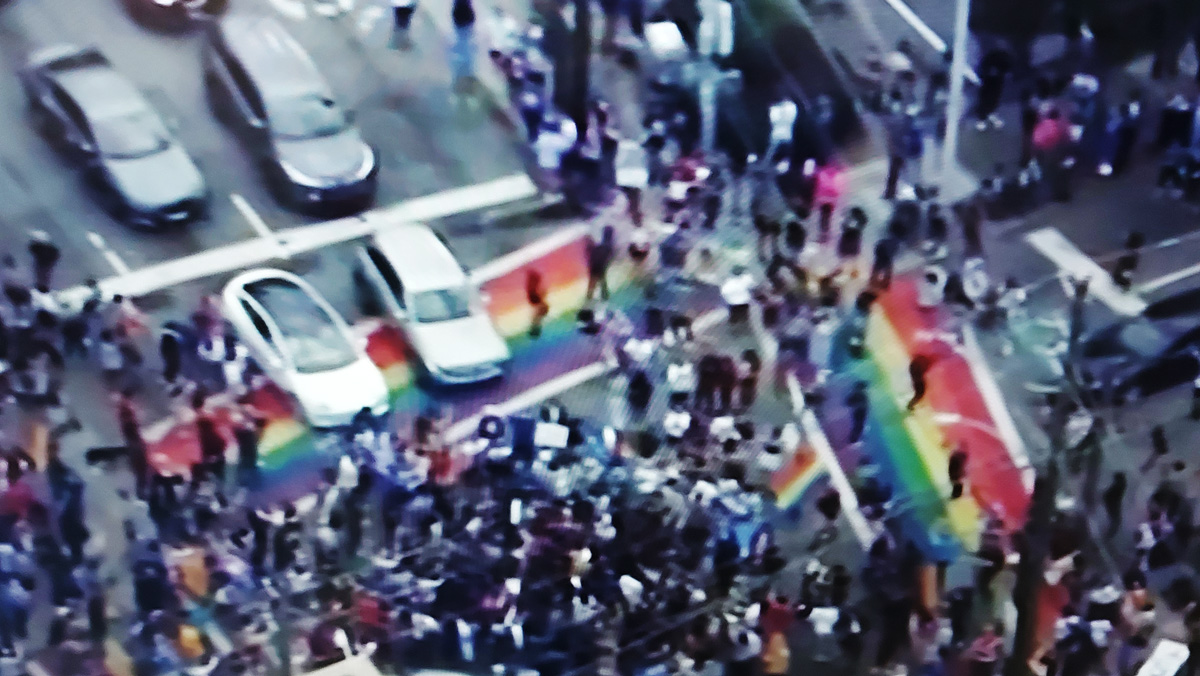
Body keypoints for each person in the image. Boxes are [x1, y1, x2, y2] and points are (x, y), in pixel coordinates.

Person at [974, 48, 1011, 131]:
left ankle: (990, 114)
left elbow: (1007, 67)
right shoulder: (989, 58)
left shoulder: (1002, 57)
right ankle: (982, 119)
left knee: (994, 99)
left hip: (996, 81)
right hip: (987, 81)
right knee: (985, 100)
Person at [450, 0, 476, 90]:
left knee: (462, 49)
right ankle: (466, 76)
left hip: (460, 21)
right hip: (464, 20)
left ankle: (461, 77)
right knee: (467, 51)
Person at [587, 226, 616, 302]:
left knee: (596, 280)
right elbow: (610, 256)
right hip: (600, 264)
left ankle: (592, 296)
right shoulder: (609, 246)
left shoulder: (603, 246)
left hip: (597, 263)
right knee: (601, 280)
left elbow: (593, 251)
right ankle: (603, 295)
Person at [526, 269, 549, 338]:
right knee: (533, 289)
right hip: (538, 304)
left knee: (533, 289)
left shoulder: (536, 323)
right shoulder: (536, 322)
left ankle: (533, 275)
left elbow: (539, 313)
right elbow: (539, 313)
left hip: (538, 304)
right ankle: (533, 275)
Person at [1103, 472, 1127, 537]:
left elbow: (1107, 495)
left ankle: (1108, 534)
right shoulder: (1120, 485)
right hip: (1113, 503)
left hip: (1112, 503)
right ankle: (1108, 535)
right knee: (1116, 520)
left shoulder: (1119, 485)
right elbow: (1108, 495)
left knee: (1115, 520)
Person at [846, 381, 869, 445]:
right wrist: (858, 405)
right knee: (859, 426)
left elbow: (849, 402)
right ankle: (853, 440)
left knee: (858, 426)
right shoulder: (861, 395)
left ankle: (854, 439)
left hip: (859, 412)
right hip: (859, 412)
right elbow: (849, 402)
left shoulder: (860, 394)